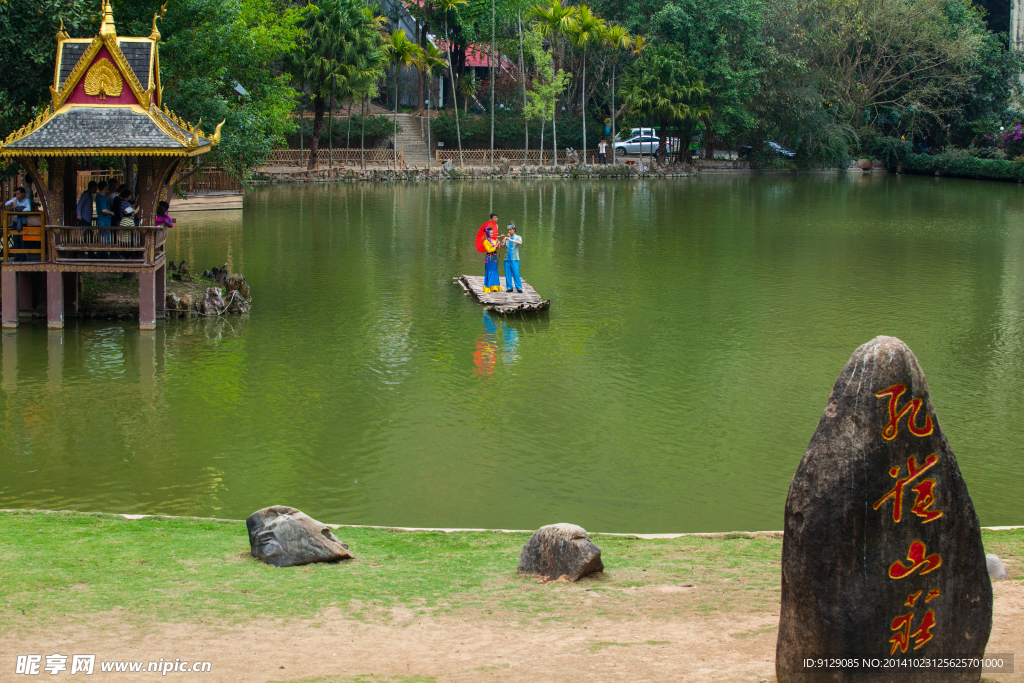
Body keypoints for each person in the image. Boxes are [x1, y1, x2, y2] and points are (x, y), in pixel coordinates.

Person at [3, 186, 31, 260]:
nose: (17, 195)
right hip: (15, 222)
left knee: (22, 239)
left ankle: (23, 256)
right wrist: (13, 202)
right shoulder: (15, 199)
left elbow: (28, 208)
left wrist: (17, 208)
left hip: (23, 223)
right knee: (16, 239)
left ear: (23, 194)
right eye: (16, 194)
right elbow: (6, 204)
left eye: (18, 194)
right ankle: (17, 256)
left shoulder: (26, 200)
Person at [502, 222, 522, 293]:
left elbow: (520, 243)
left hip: (515, 258)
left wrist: (511, 240)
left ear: (513, 229)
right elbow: (502, 247)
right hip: (507, 258)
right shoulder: (506, 237)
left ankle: (519, 287)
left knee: (516, 272)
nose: (509, 231)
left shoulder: (518, 237)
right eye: (508, 230)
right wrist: (502, 242)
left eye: (510, 230)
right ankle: (509, 287)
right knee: (508, 273)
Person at [482, 225, 501, 292]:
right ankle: (488, 287)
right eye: (490, 233)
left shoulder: (493, 240)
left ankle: (495, 287)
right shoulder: (485, 242)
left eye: (492, 233)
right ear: (487, 233)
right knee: (489, 271)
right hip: (489, 258)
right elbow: (489, 250)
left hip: (494, 258)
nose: (492, 234)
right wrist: (495, 247)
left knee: (494, 271)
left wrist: (498, 245)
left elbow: (496, 249)